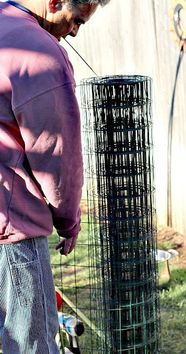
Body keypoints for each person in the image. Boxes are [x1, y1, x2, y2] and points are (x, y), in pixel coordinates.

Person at [0, 0, 110, 352]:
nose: (74, 31)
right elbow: (58, 158)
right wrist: (69, 221)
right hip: (13, 234)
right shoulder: (41, 55)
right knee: (30, 344)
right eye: (75, 20)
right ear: (55, 2)